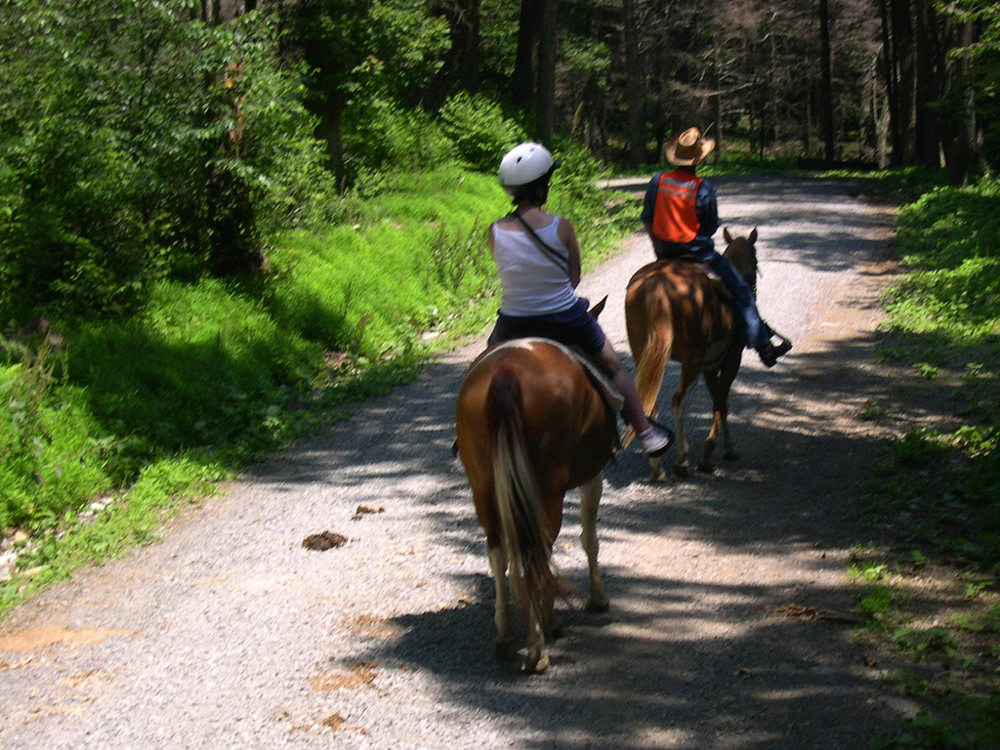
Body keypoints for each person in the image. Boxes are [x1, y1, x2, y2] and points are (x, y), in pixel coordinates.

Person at [487, 142, 672, 457]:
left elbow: (508, 272)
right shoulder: (561, 228)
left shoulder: (495, 231)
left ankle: (468, 436)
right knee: (615, 368)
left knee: (483, 369)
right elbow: (574, 279)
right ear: (542, 187)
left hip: (513, 322)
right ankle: (644, 432)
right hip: (563, 318)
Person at [640, 127, 792, 367]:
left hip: (664, 253)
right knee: (741, 290)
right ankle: (763, 346)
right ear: (699, 159)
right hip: (697, 254)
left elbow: (648, 219)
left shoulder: (658, 182)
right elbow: (710, 227)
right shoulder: (704, 188)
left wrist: (658, 247)